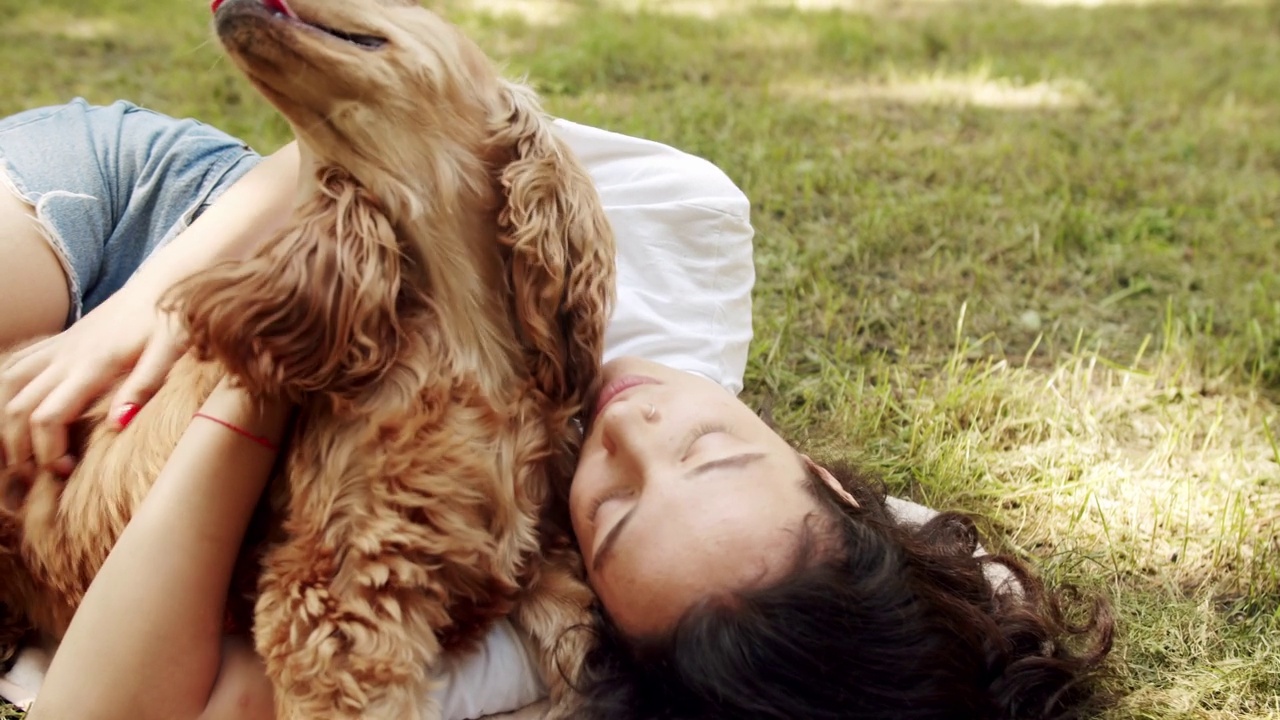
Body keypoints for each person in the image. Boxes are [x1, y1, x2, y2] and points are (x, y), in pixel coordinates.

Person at [0, 100, 1113, 720]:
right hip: (152, 223)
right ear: (818, 473)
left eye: (617, 511)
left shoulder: (528, 621)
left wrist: (256, 385)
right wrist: (142, 313)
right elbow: (374, 127)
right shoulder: (677, 253)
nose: (632, 430)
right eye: (712, 452)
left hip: (113, 453)